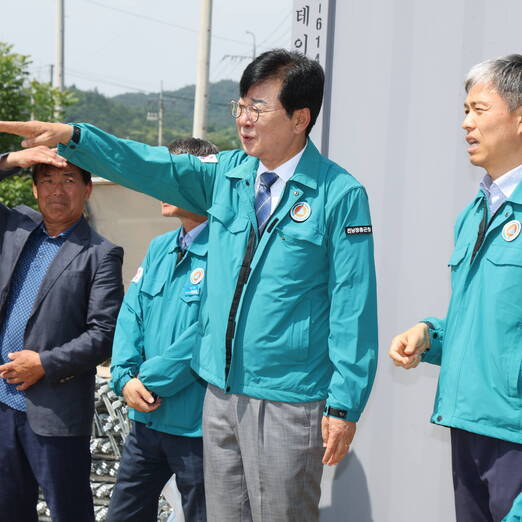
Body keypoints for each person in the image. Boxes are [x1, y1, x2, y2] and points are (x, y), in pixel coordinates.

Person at [0, 49, 378, 522]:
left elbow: (353, 305)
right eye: (239, 106)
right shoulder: (227, 177)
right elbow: (150, 165)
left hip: (288, 397)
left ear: (300, 118)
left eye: (258, 107)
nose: (244, 118)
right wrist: (78, 138)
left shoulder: (339, 195)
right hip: (219, 396)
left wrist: (344, 403)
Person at [388, 54, 522, 522]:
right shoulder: (476, 213)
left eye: (479, 110)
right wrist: (431, 334)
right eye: (464, 111)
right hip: (469, 425)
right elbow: (490, 326)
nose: (466, 123)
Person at [0, 147, 124, 522]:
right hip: (3, 408)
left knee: (69, 510)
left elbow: (103, 332)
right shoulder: (15, 227)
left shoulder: (100, 253)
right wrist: (11, 161)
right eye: (48, 181)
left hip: (55, 410)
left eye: (69, 180)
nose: (57, 190)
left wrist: (44, 364)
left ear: (87, 189)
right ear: (35, 190)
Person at [108, 137, 218, 522]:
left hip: (196, 428)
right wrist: (123, 377)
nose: (159, 184)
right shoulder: (159, 248)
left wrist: (149, 379)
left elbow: (208, 332)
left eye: (170, 175)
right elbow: (131, 314)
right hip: (145, 421)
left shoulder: (227, 251)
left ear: (201, 180)